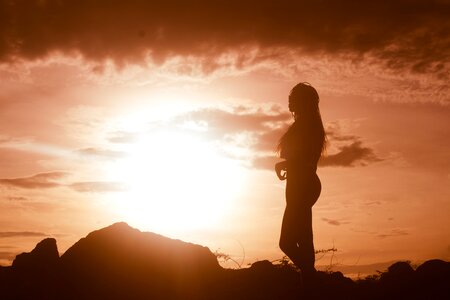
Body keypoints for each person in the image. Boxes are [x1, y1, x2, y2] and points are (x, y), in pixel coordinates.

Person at [275, 82, 326, 283]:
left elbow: (304, 158)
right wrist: (285, 165)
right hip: (299, 183)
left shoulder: (307, 126)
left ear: (303, 102)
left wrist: (283, 165)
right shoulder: (306, 124)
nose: (289, 101)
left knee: (286, 242)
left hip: (303, 184)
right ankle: (309, 284)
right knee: (304, 239)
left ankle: (312, 278)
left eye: (294, 97)